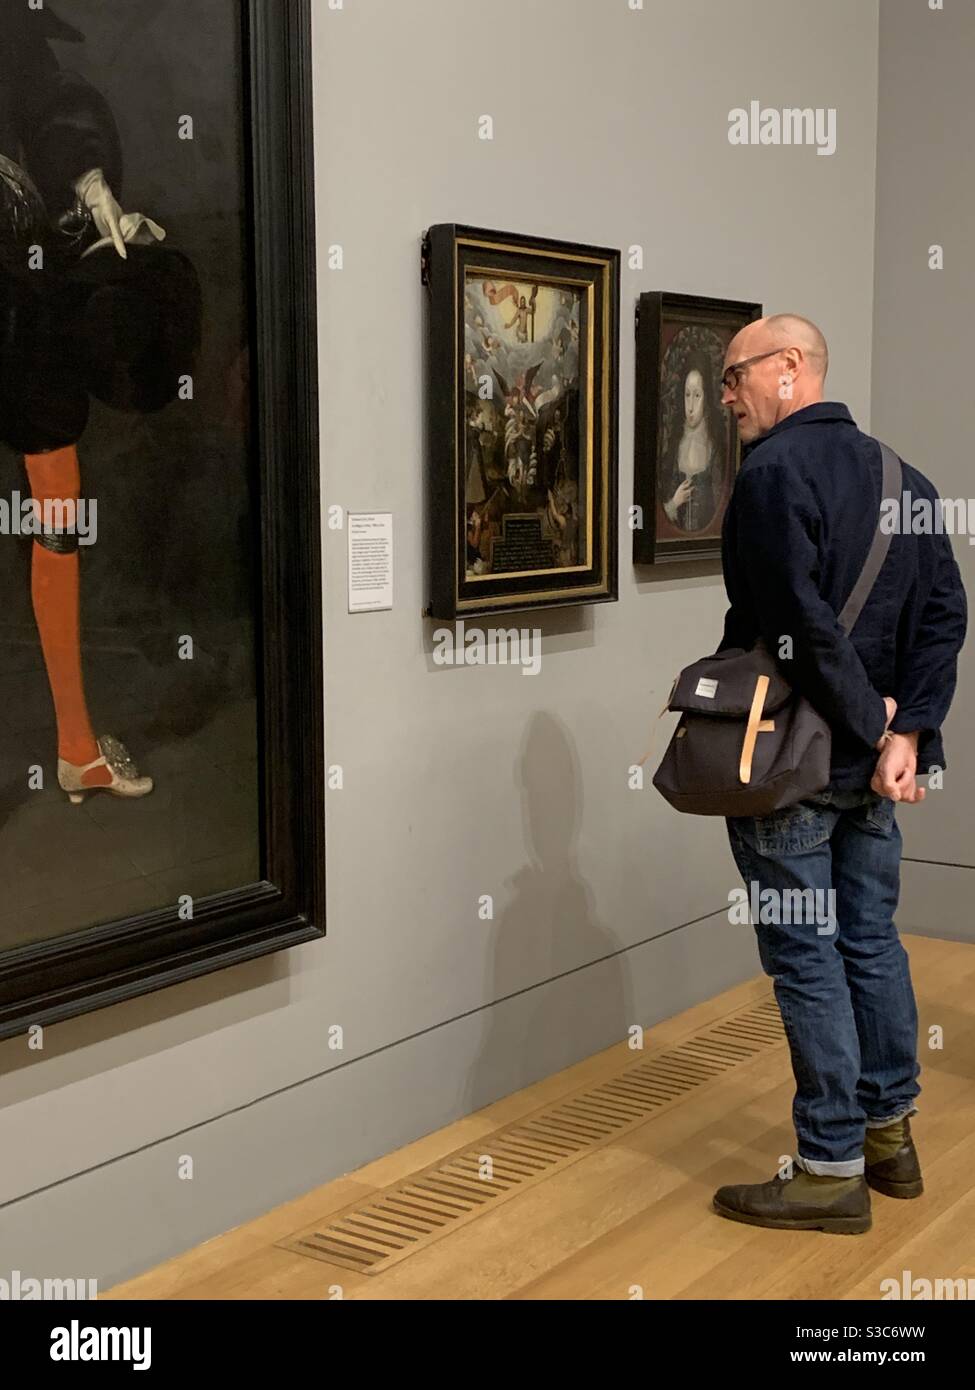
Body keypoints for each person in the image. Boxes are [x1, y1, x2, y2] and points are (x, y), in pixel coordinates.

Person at [711, 313, 967, 1234]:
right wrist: (908, 735)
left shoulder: (772, 475)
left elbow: (796, 627)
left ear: (790, 369)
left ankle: (826, 1167)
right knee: (869, 941)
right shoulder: (907, 477)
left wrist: (870, 727)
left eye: (735, 375)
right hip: (872, 773)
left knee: (805, 958)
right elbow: (945, 616)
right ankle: (888, 1138)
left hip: (792, 763)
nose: (727, 395)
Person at [0, 4, 201, 804]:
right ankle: (78, 749)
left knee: (56, 495)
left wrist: (90, 190)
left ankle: (78, 745)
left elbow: (48, 99)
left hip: (12, 278)